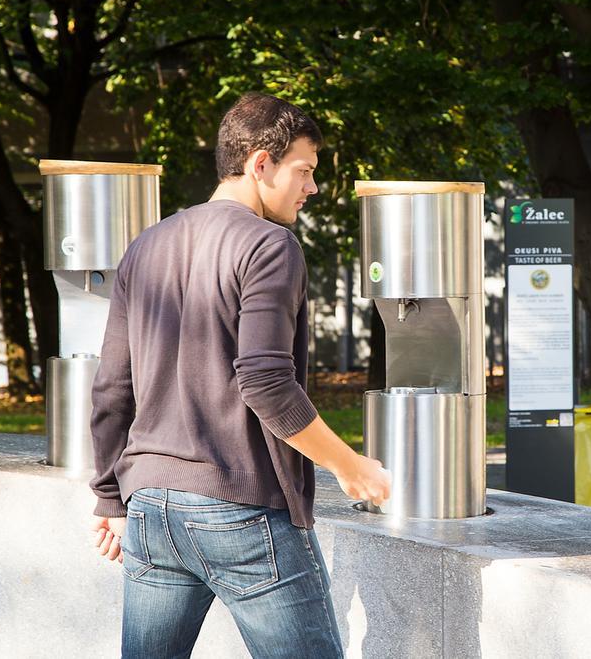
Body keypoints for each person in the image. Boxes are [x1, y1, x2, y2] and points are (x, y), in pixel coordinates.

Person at [88, 92, 391, 658]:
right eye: (304, 171)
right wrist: (351, 468)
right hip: (243, 510)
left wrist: (110, 498)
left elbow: (111, 390)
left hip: (151, 508)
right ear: (260, 163)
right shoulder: (270, 245)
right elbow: (267, 383)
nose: (312, 188)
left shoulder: (145, 247)